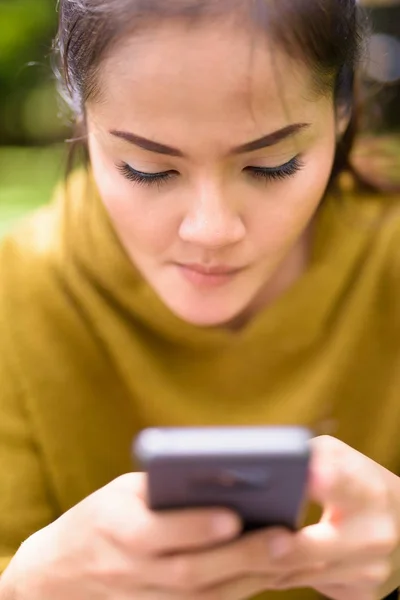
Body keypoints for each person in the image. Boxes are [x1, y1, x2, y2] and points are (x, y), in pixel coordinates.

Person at [0, 0, 400, 598]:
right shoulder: (17, 296)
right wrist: (29, 588)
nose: (211, 231)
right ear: (82, 117)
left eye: (273, 164)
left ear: (342, 111)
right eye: (145, 169)